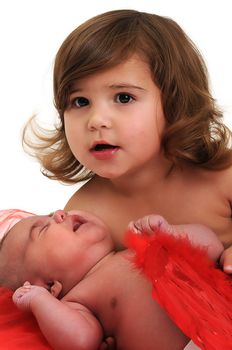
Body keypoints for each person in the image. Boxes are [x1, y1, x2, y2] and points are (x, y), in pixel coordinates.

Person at [22, 9, 232, 270]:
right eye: (80, 101)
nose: (97, 120)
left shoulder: (223, 177)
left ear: (175, 103)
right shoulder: (87, 214)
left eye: (123, 97)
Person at [0, 209, 224, 350]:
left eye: (51, 214)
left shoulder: (137, 246)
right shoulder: (78, 302)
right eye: (42, 229)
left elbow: (212, 249)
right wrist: (39, 301)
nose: (59, 213)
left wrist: (169, 233)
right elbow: (80, 341)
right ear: (50, 287)